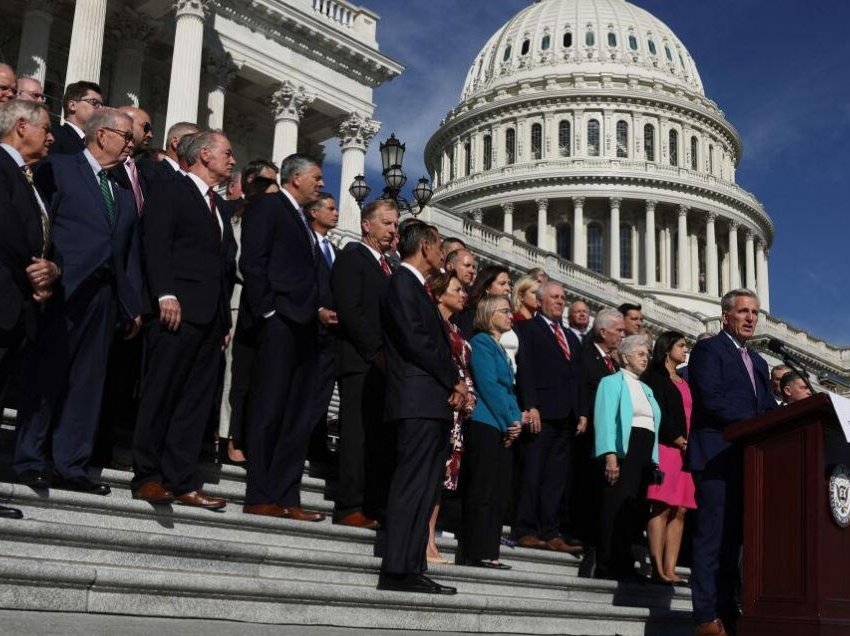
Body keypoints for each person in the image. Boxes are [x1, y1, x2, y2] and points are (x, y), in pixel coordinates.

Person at [16, 107, 141, 495]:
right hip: (62, 289)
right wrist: (44, 270)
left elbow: (125, 252)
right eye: (126, 137)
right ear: (102, 135)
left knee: (88, 383)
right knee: (47, 376)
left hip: (103, 297)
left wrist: (130, 302)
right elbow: (42, 222)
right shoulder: (60, 168)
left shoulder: (120, 191)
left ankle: (71, 464)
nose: (131, 145)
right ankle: (30, 460)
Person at [131, 130, 236, 510]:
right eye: (227, 152)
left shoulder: (221, 207)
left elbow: (223, 269)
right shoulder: (171, 188)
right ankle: (148, 475)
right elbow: (155, 243)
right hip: (174, 310)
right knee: (161, 393)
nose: (232, 160)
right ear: (204, 154)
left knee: (195, 402)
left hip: (210, 320)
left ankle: (182, 479)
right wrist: (164, 293)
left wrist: (223, 322)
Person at [377, 221, 466, 595]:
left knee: (425, 487)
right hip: (417, 398)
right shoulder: (402, 282)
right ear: (426, 246)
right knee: (412, 485)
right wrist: (453, 378)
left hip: (430, 401)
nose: (443, 255)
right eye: (440, 247)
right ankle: (397, 568)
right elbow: (416, 341)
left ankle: (411, 565)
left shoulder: (419, 288)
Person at [239, 153, 325, 521]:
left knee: (296, 415)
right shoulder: (269, 206)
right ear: (296, 178)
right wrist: (269, 311)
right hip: (279, 322)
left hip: (304, 327)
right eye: (317, 178)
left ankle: (287, 495)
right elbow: (252, 261)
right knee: (269, 409)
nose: (321, 184)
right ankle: (260, 493)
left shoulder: (303, 220)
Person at [688, 289, 776, 636]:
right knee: (711, 537)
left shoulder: (759, 363)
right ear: (726, 316)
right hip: (716, 456)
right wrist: (757, 422)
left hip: (748, 460)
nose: (751, 318)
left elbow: (768, 407)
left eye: (755, 312)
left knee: (734, 542)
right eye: (743, 311)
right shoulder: (709, 350)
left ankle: (728, 608)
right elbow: (712, 400)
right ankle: (705, 616)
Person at [0, 99, 58, 519]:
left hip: (19, 302)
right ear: (22, 126)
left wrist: (49, 268)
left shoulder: (29, 178)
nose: (51, 137)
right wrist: (31, 269)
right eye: (45, 128)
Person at [332, 199, 398, 529]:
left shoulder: (390, 268)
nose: (393, 230)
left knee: (377, 439)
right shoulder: (352, 257)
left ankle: (373, 504)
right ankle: (349, 505)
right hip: (360, 361)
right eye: (386, 223)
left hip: (384, 367)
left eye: (396, 225)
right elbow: (350, 309)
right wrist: (375, 351)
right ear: (366, 225)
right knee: (357, 435)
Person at [513, 281, 583, 554]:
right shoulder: (528, 328)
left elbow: (575, 376)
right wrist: (530, 405)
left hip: (567, 415)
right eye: (554, 297)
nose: (559, 301)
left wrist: (582, 412)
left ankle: (550, 530)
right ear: (540, 301)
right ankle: (526, 528)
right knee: (533, 472)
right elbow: (526, 369)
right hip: (541, 411)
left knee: (556, 478)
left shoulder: (569, 335)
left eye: (563, 297)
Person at [458, 293, 523, 569]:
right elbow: (488, 386)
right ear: (489, 314)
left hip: (503, 426)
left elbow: (509, 390)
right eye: (505, 311)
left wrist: (516, 419)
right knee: (482, 491)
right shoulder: (481, 342)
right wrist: (511, 420)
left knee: (498, 494)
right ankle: (475, 550)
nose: (511, 316)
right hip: (486, 424)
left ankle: (491, 550)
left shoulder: (500, 350)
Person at [224, 160, 280, 465]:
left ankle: (242, 436)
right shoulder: (236, 216)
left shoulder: (272, 219)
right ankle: (228, 437)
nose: (271, 189)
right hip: (238, 300)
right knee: (234, 377)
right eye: (264, 182)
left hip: (262, 305)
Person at [594, 335, 661, 581]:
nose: (646, 358)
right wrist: (610, 456)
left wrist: (654, 459)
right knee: (615, 506)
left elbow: (653, 424)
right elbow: (605, 420)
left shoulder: (647, 389)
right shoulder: (611, 382)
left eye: (647, 354)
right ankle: (608, 562)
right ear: (625, 356)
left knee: (634, 508)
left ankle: (626, 563)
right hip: (624, 450)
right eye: (641, 353)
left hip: (643, 453)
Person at [424, 271, 475, 565]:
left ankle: (431, 540)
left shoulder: (456, 329)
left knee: (442, 482)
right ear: (440, 293)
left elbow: (465, 372)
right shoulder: (435, 325)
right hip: (439, 405)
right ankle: (423, 541)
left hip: (457, 416)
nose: (463, 294)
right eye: (457, 289)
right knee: (430, 478)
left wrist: (469, 396)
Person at [641, 331, 696, 584]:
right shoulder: (654, 377)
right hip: (667, 447)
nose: (685, 351)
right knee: (662, 506)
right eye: (682, 346)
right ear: (667, 349)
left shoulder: (685, 381)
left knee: (681, 510)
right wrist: (676, 438)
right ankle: (657, 566)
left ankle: (671, 568)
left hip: (688, 450)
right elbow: (656, 411)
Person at [574, 308, 625, 577]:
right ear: (602, 331)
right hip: (590, 435)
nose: (622, 335)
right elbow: (582, 389)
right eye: (618, 330)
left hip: (610, 438)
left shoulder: (614, 363)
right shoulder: (586, 356)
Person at [305, 193, 339, 472]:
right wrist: (315, 309)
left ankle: (315, 442)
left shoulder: (335, 251)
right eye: (330, 208)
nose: (336, 213)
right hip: (306, 326)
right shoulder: (303, 241)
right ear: (314, 213)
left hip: (330, 336)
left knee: (323, 393)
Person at [50, 81, 103, 155]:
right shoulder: (54, 135)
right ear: (72, 105)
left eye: (101, 105)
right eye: (94, 102)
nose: (100, 109)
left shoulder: (95, 144)